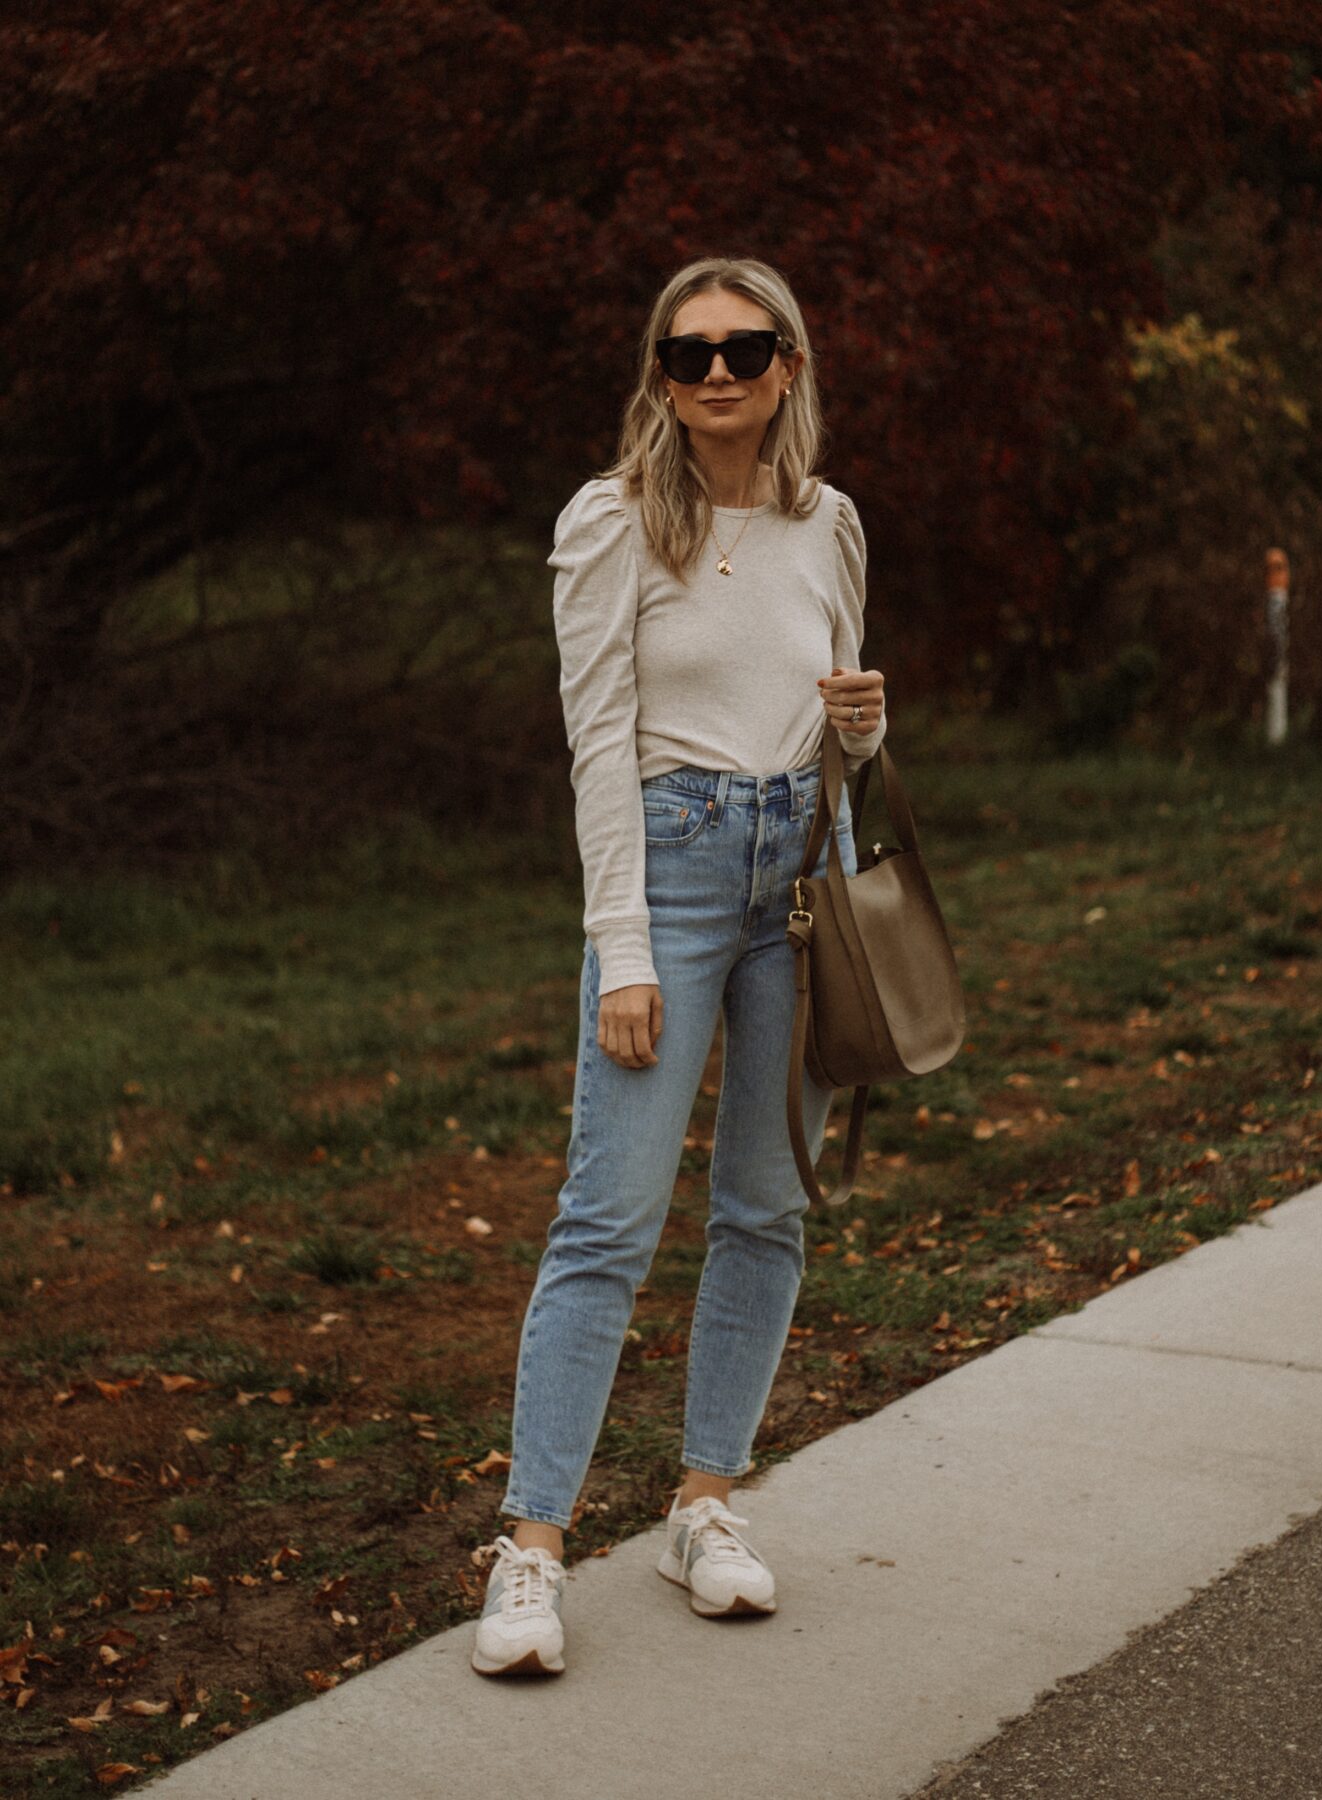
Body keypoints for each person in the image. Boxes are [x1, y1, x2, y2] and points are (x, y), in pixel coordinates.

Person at [470, 256, 887, 1677]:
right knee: (611, 1215)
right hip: (675, 863)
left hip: (801, 880)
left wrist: (864, 733)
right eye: (689, 351)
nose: (718, 373)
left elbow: (836, 737)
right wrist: (627, 952)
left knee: (767, 1209)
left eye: (746, 347)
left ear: (789, 364)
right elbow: (597, 750)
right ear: (657, 373)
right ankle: (530, 1549)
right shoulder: (610, 523)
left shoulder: (829, 524)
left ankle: (704, 1503)